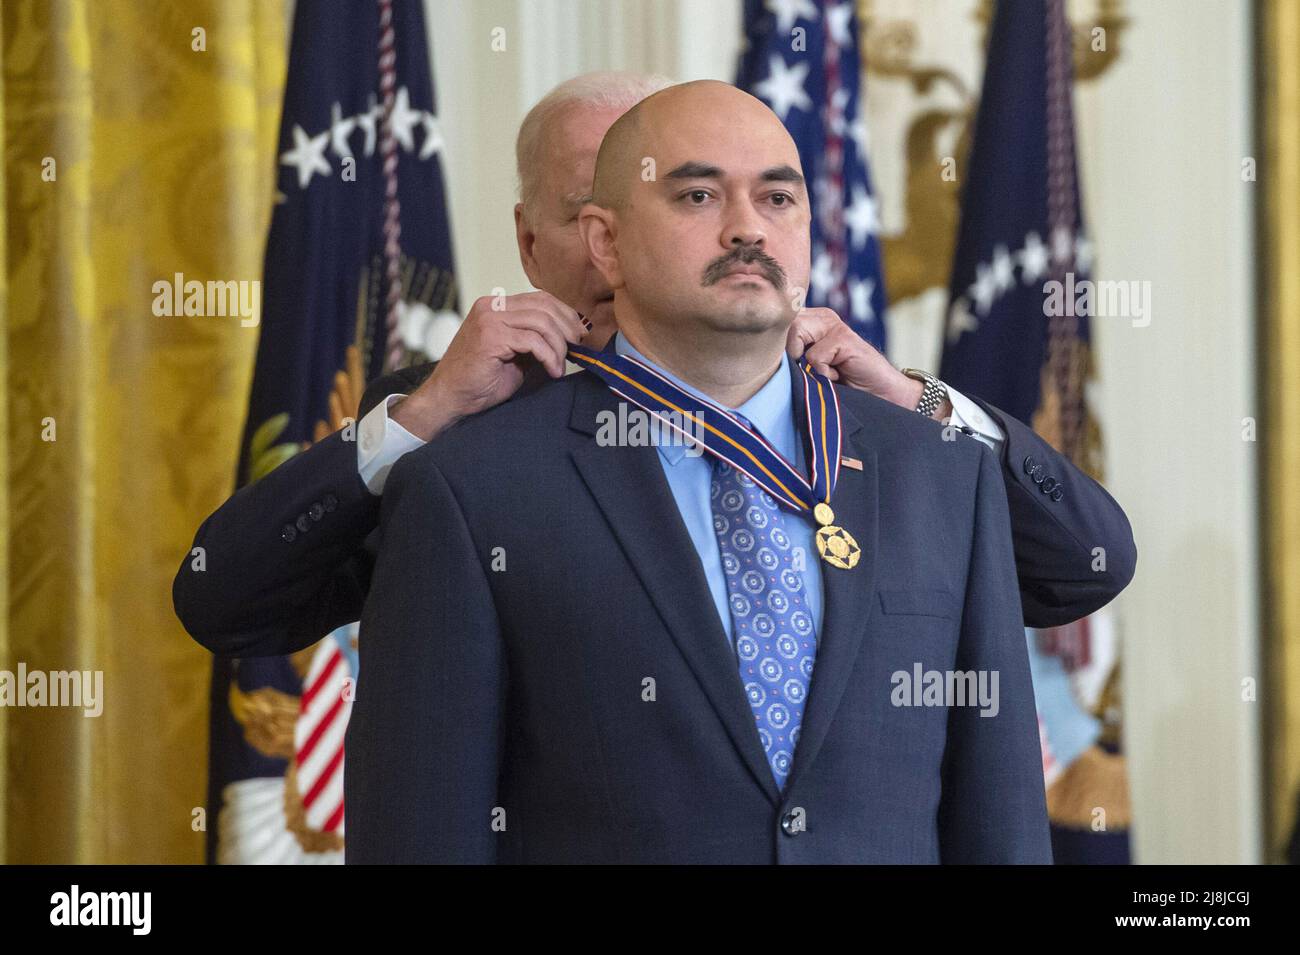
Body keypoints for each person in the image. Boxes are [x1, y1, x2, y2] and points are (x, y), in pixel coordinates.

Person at [173, 72, 1134, 662]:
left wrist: (918, 402)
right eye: (600, 207)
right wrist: (416, 419)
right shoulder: (455, 433)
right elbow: (226, 599)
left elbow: (1079, 569)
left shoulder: (844, 413)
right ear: (539, 235)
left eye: (682, 191)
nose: (619, 247)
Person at [344, 80, 1053, 863]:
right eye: (698, 195)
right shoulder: (468, 487)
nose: (748, 227)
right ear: (604, 243)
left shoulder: (943, 474)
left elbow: (1003, 822)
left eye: (778, 198)